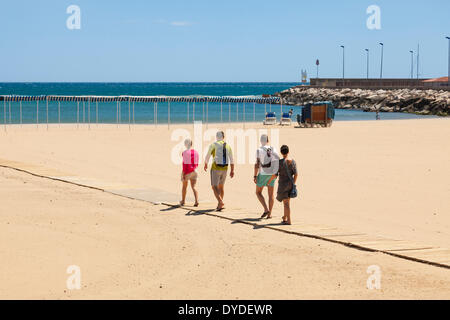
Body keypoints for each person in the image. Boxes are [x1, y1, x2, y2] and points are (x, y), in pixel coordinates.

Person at [204, 131, 234, 211]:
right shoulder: (227, 146)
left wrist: (205, 164)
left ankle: (220, 201)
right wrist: (232, 170)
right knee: (221, 186)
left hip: (215, 168)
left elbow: (208, 155)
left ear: (217, 136)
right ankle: (219, 205)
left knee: (214, 186)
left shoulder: (213, 145)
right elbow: (232, 159)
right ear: (223, 137)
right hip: (225, 169)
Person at [268, 145, 298, 225]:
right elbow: (296, 174)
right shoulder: (293, 161)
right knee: (287, 202)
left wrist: (269, 181)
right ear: (288, 152)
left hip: (282, 185)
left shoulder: (279, 162)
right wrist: (294, 184)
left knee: (286, 203)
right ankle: (285, 217)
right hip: (290, 184)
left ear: (281, 153)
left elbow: (275, 175)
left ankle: (289, 220)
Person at [254, 134, 279, 219]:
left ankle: (265, 209)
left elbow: (257, 164)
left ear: (261, 141)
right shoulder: (273, 148)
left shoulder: (259, 150)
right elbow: (276, 161)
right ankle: (270, 214)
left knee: (258, 192)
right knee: (271, 194)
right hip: (272, 173)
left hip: (263, 173)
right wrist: (275, 173)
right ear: (268, 140)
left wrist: (255, 175)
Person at [180, 138, 199, 207]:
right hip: (195, 170)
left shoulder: (184, 152)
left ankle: (183, 201)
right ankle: (196, 201)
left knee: (184, 186)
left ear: (185, 144)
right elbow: (196, 162)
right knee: (194, 187)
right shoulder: (196, 152)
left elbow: (185, 164)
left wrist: (184, 173)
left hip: (187, 171)